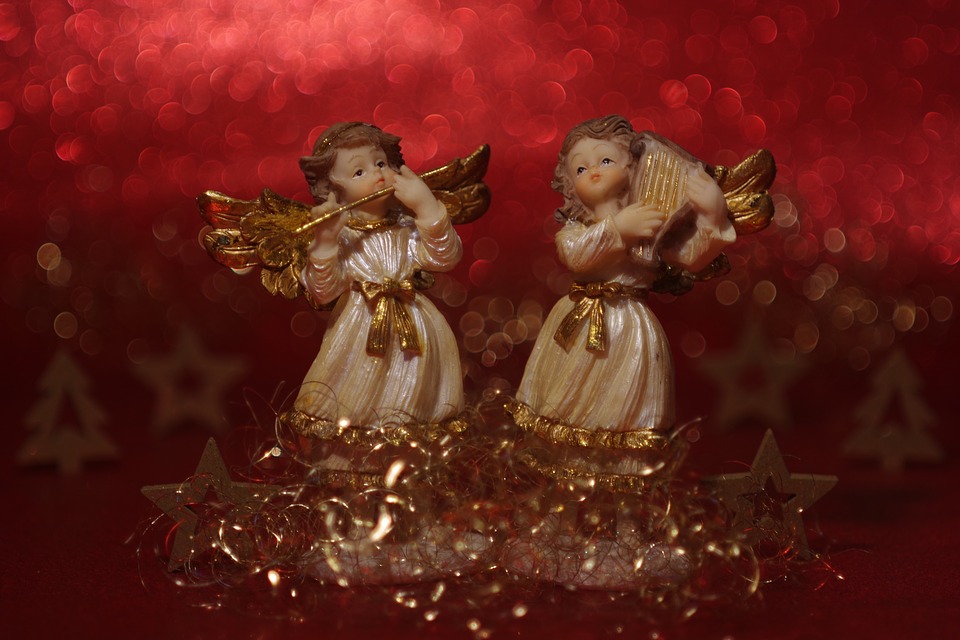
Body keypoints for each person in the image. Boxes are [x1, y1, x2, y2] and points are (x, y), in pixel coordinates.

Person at [508, 115, 736, 487]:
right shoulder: (574, 230)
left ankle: (623, 488)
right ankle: (565, 482)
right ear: (569, 184)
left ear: (632, 168)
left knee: (623, 406)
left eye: (605, 160)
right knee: (567, 402)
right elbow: (576, 255)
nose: (593, 171)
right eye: (580, 168)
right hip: (577, 326)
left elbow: (691, 257)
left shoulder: (651, 224)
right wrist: (618, 230)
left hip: (629, 329)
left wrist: (713, 214)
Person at [281, 122, 466, 487]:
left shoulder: (406, 229)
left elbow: (446, 257)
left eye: (381, 163)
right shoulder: (343, 235)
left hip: (416, 335)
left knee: (410, 405)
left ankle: (405, 473)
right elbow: (322, 291)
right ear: (333, 189)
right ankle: (350, 474)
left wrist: (427, 206)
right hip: (359, 335)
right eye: (359, 171)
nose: (378, 174)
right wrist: (325, 242)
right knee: (354, 403)